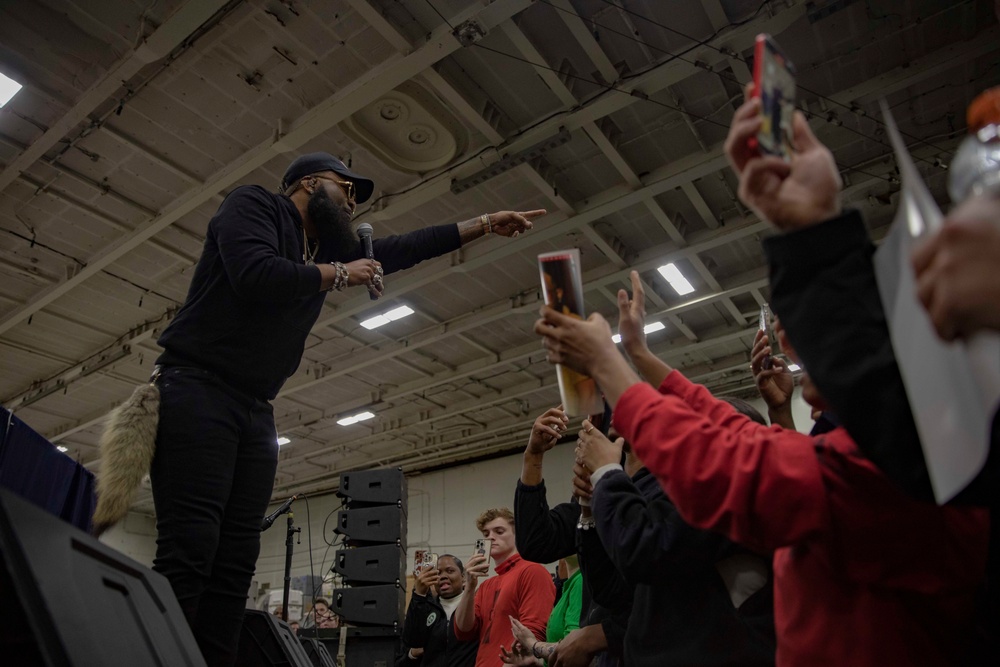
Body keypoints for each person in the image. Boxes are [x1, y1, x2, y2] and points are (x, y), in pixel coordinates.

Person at [145, 149, 547, 666]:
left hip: (253, 408)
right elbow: (255, 273)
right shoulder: (254, 206)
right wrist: (340, 273)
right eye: (346, 188)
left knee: (235, 563)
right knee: (192, 549)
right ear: (310, 183)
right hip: (196, 388)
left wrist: (485, 223)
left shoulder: (322, 246)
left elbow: (400, 249)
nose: (352, 200)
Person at [534, 270, 989, 665]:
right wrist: (640, 356)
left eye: (822, 345)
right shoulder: (890, 442)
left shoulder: (887, 466)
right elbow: (733, 428)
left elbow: (728, 455)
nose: (793, 349)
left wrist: (607, 367)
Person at [454, 508, 555, 667]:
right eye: (486, 534)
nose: (491, 538)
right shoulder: (487, 584)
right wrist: (469, 588)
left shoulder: (533, 571)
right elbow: (463, 631)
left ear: (518, 535)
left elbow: (532, 635)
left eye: (499, 531)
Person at [399, 554, 477, 667]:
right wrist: (419, 595)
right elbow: (411, 641)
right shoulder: (426, 607)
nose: (443, 576)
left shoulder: (475, 605)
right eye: (438, 573)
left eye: (450, 571)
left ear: (463, 577)